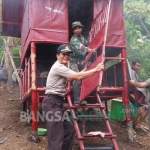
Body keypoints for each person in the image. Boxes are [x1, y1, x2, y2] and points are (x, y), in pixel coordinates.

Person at [42, 44, 104, 150]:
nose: (66, 56)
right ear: (57, 55)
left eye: (68, 54)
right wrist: (96, 70)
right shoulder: (58, 67)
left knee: (69, 129)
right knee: (56, 137)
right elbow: (78, 77)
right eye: (64, 54)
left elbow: (76, 74)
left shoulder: (62, 67)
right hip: (52, 102)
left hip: (57, 103)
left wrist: (86, 70)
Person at [70, 21, 95, 104]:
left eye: (79, 28)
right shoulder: (73, 40)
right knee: (77, 77)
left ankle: (95, 89)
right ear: (73, 31)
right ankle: (77, 100)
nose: (77, 30)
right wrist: (90, 50)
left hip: (81, 61)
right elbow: (83, 48)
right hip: (73, 61)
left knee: (93, 67)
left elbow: (89, 43)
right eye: (75, 29)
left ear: (81, 29)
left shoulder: (83, 38)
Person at [129, 60, 150, 133]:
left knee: (147, 108)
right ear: (132, 65)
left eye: (139, 66)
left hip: (138, 94)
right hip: (133, 94)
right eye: (137, 66)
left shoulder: (135, 73)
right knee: (139, 111)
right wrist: (130, 93)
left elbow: (138, 83)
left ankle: (138, 125)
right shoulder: (131, 72)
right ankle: (131, 127)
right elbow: (130, 84)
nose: (138, 67)